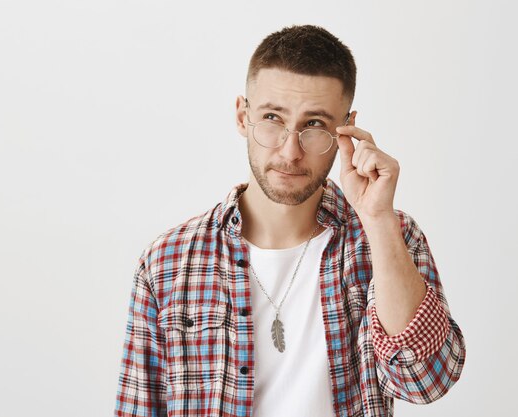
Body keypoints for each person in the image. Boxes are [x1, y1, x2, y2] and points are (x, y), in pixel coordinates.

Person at [114, 24, 466, 417]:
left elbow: (426, 382)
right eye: (272, 117)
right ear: (242, 117)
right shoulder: (168, 261)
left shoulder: (389, 236)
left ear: (346, 129)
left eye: (314, 124)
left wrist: (377, 218)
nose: (290, 150)